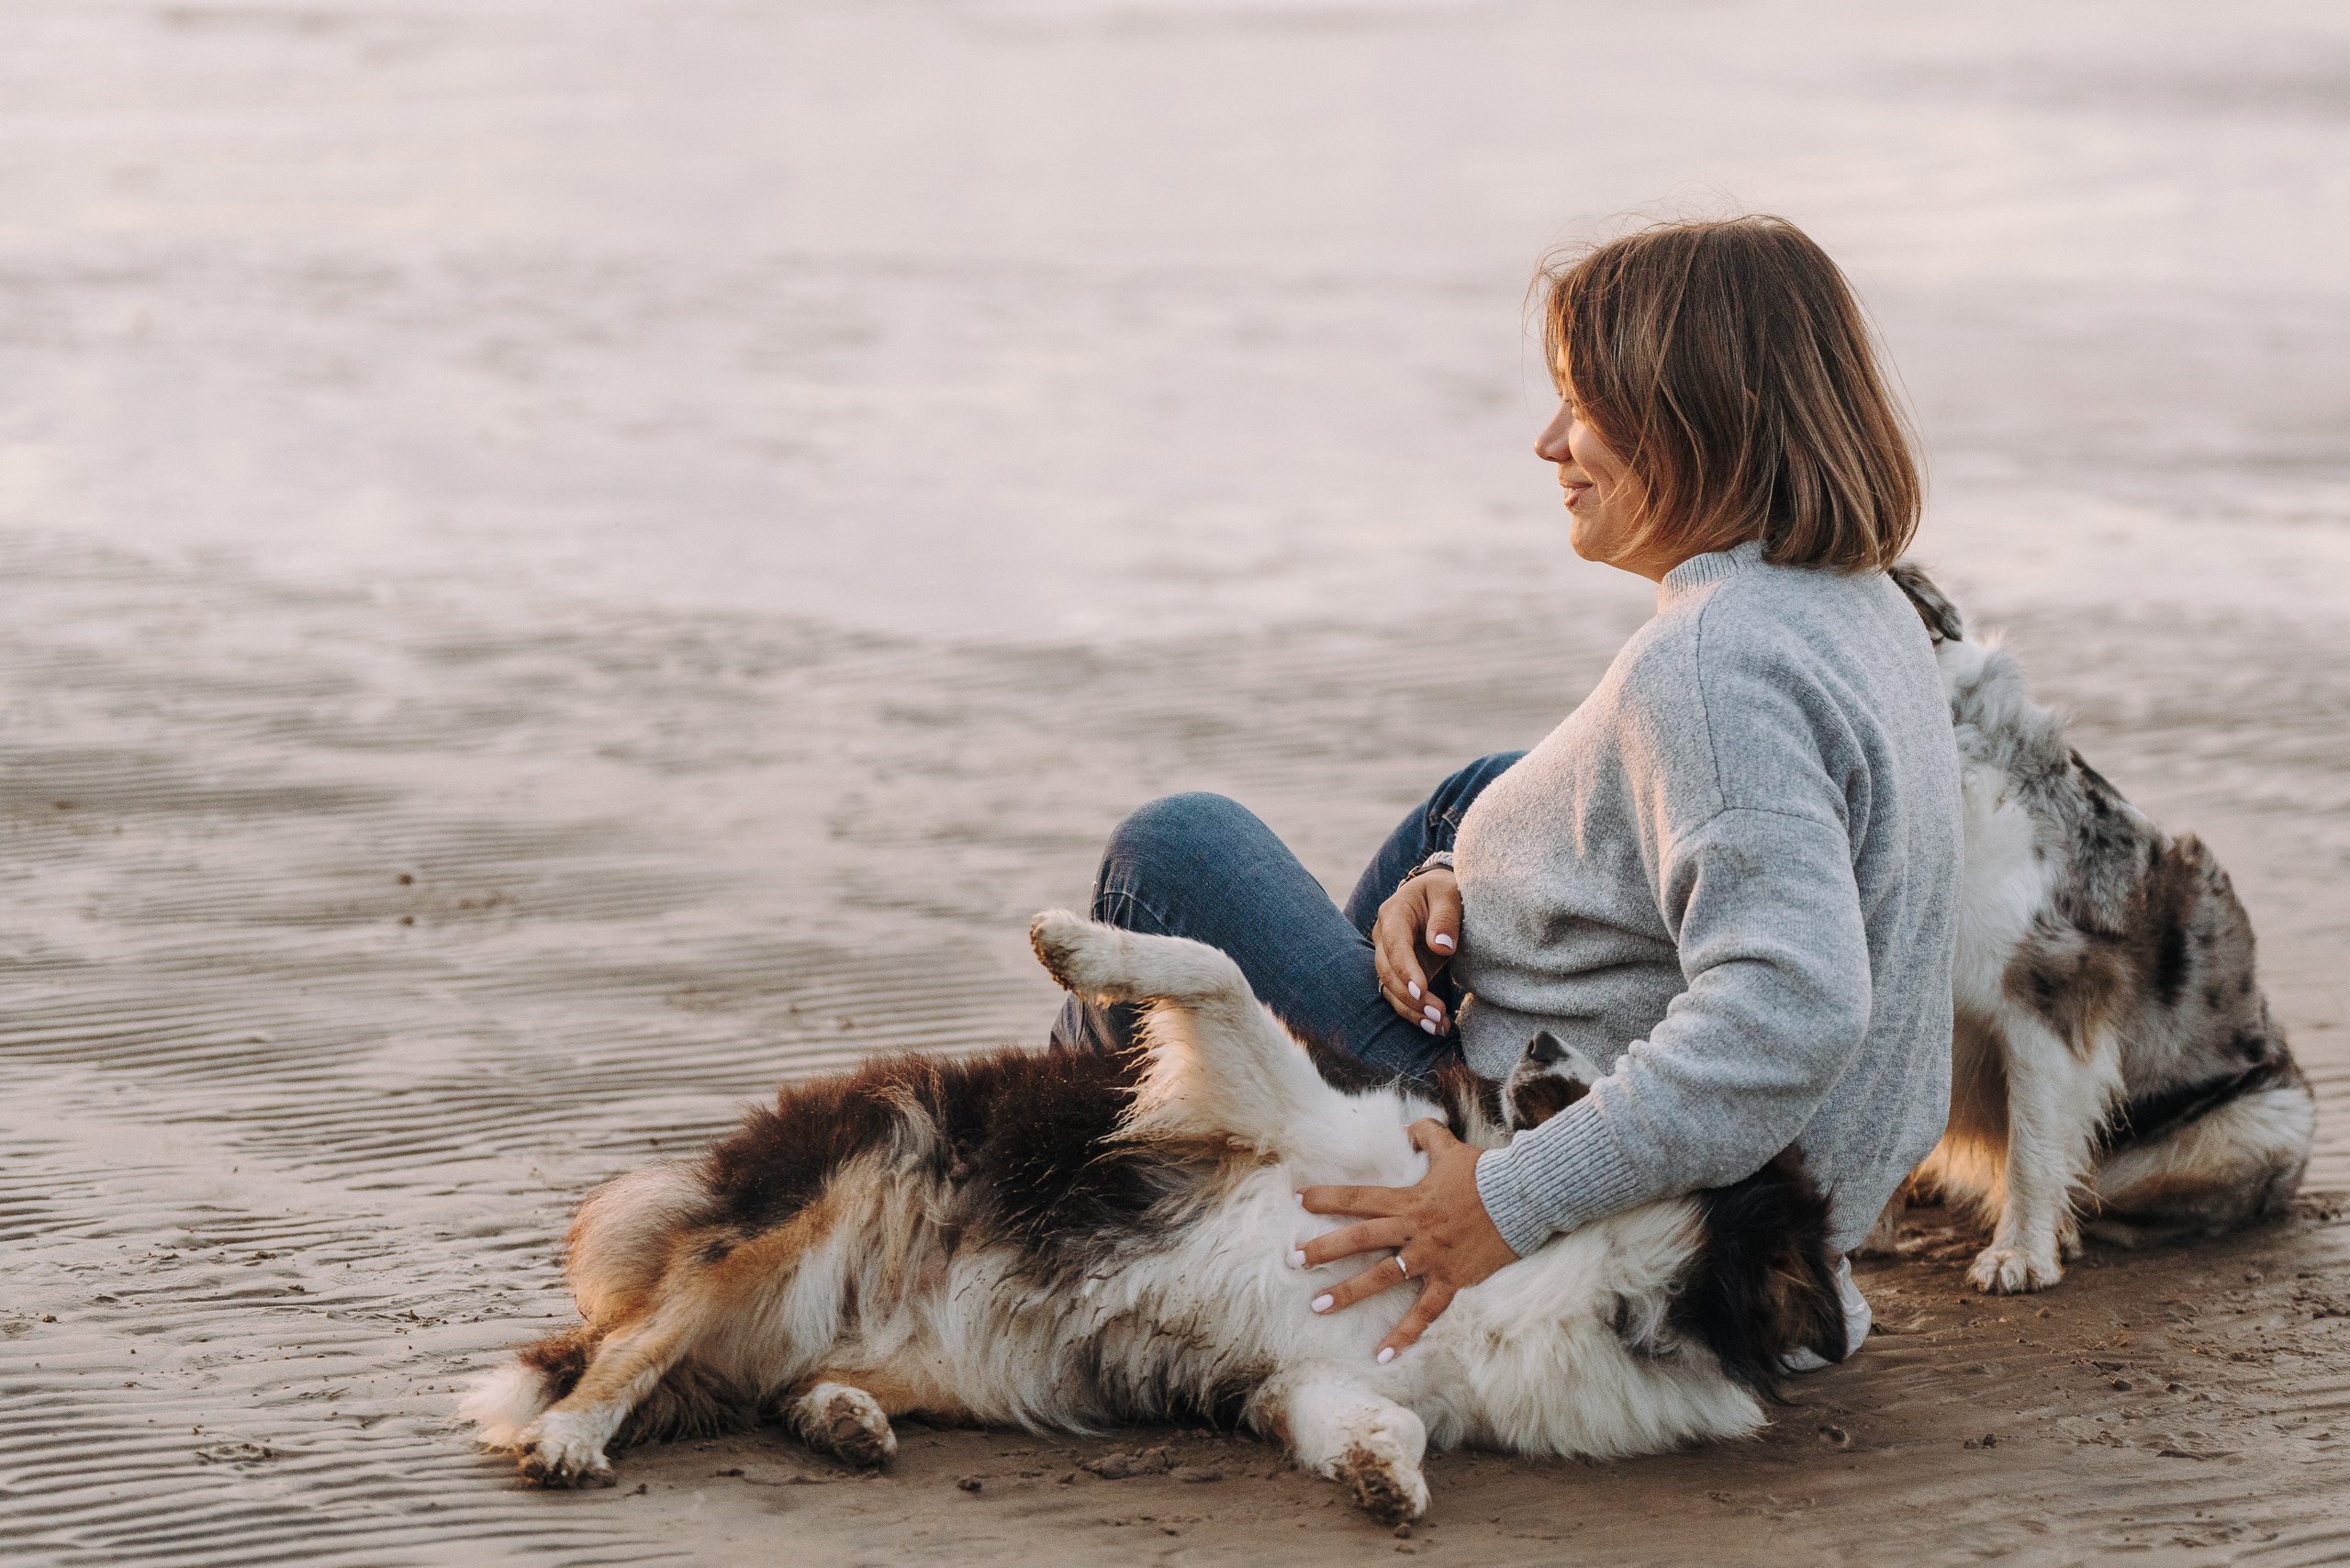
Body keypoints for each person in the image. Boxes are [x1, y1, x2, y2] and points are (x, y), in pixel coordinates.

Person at [1049, 215, 1961, 1368]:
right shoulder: (1862, 607)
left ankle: (1074, 1196)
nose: (1548, 441)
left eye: (1583, 404)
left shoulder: (1710, 666)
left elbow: (1787, 1013)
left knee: (1173, 851)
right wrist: (1446, 875)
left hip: (1605, 1217)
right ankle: (1266, 1090)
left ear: (1694, 421)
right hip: (1777, 1233)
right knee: (1478, 796)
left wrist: (1506, 1196)